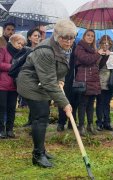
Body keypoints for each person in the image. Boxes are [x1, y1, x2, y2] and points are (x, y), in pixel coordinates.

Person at [17, 19, 76, 168]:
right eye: (65, 38)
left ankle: (41, 150)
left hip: (42, 82)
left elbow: (62, 66)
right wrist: (65, 104)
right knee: (40, 116)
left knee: (43, 114)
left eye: (72, 38)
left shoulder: (63, 47)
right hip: (30, 83)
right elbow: (49, 82)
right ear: (57, 36)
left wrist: (61, 80)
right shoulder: (45, 51)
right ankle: (37, 155)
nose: (69, 42)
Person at [75, 29, 103, 136]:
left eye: (92, 36)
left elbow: (97, 64)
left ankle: (90, 124)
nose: (90, 37)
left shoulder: (93, 49)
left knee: (91, 104)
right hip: (84, 79)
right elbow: (86, 60)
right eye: (88, 35)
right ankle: (81, 125)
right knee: (82, 104)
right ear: (84, 36)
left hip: (94, 80)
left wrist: (105, 55)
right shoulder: (80, 47)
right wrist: (97, 54)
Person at [0, 34, 26, 138]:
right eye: (18, 43)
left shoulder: (22, 54)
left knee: (11, 108)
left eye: (22, 44)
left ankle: (10, 129)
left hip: (15, 85)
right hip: (2, 84)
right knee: (1, 108)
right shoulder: (3, 50)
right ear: (12, 42)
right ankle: (1, 130)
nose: (20, 46)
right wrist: (13, 66)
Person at [22, 28, 42, 126]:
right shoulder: (25, 49)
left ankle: (35, 122)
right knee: (30, 100)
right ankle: (31, 120)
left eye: (39, 36)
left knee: (36, 100)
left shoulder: (42, 49)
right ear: (29, 37)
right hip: (28, 77)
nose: (37, 37)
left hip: (39, 78)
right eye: (35, 35)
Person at [96, 35, 113, 131]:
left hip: (110, 81)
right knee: (100, 102)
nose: (105, 45)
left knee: (107, 103)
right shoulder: (98, 53)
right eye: (103, 43)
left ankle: (107, 122)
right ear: (100, 44)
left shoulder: (112, 54)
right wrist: (105, 56)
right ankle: (99, 122)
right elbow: (98, 66)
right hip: (99, 80)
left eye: (107, 44)